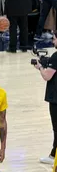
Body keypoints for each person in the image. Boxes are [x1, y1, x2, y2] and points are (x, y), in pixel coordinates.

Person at [35, 35, 57, 165]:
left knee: (56, 128)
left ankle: (53, 155)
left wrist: (40, 67)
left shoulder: (56, 56)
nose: (53, 41)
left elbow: (47, 76)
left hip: (55, 98)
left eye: (54, 38)